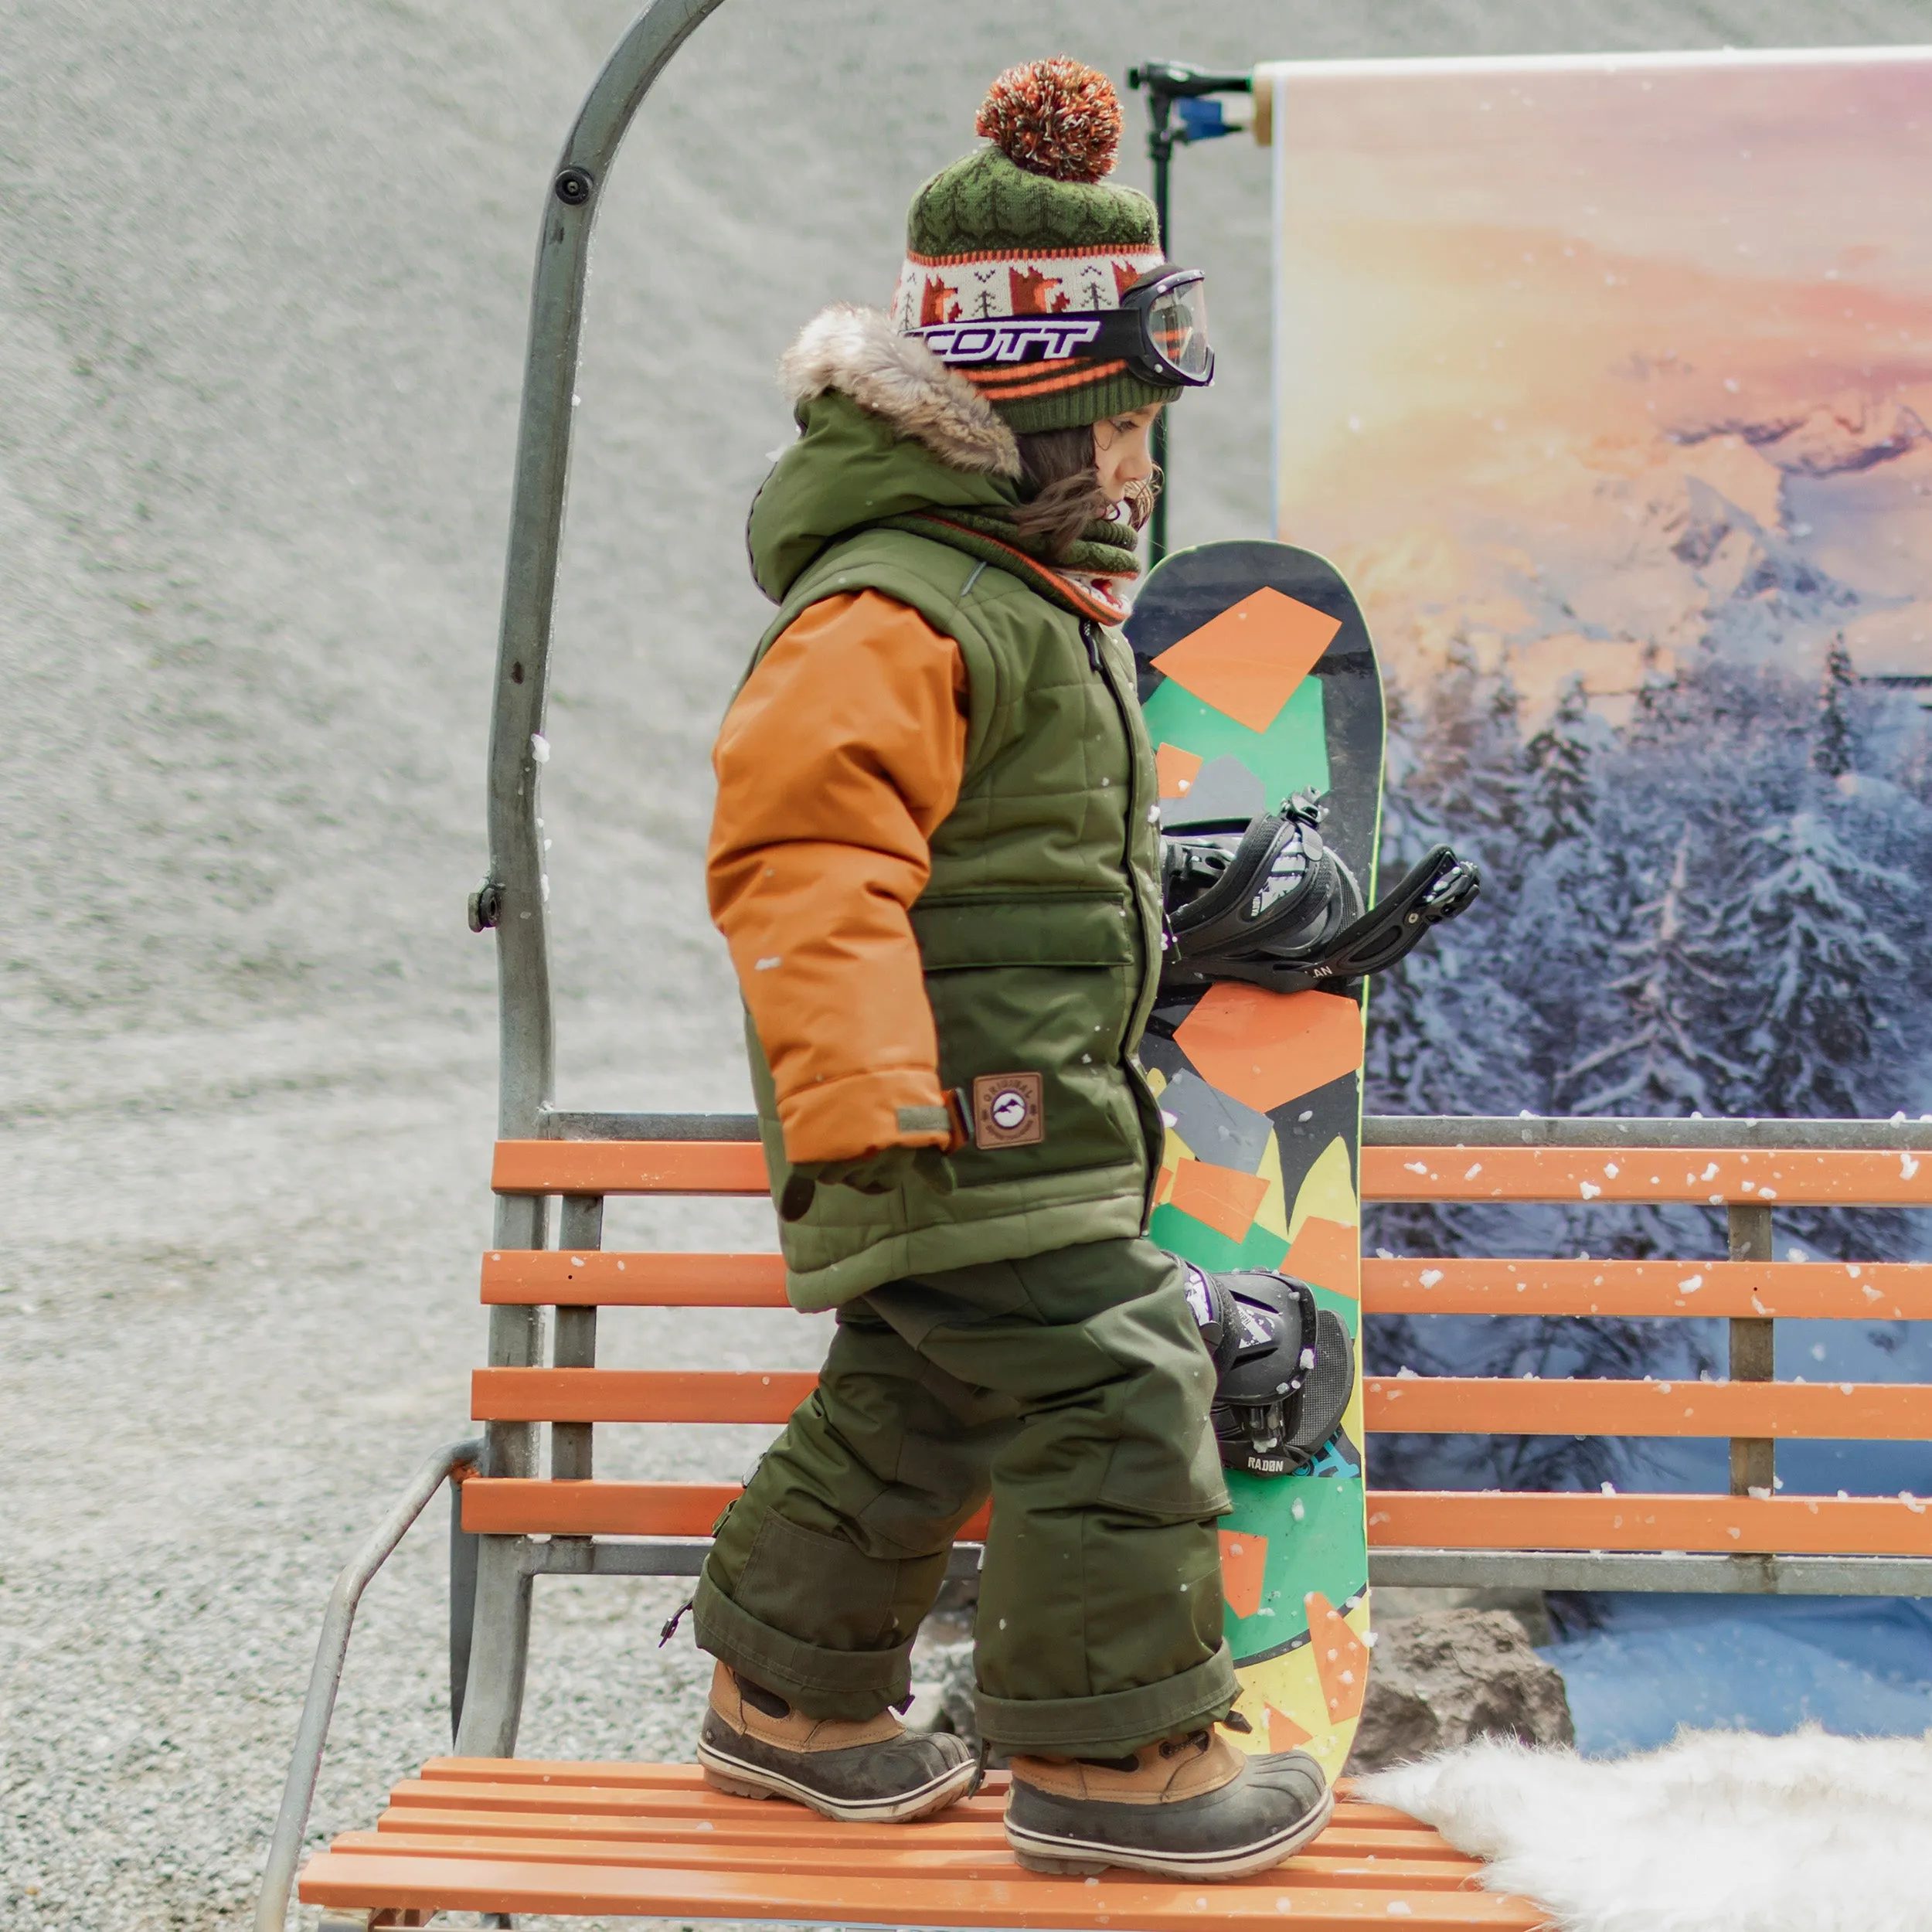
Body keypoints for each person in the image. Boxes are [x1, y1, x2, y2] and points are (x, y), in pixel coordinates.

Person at [690, 56, 1332, 1881]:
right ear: (1027, 419)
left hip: (1019, 1109)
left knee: (921, 1398)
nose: (1138, 463)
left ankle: (787, 1705)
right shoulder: (893, 609)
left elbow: (1026, 869)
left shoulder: (1016, 600)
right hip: (953, 1118)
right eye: (1119, 430)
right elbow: (801, 865)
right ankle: (1115, 1767)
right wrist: (867, 1097)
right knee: (1120, 1382)